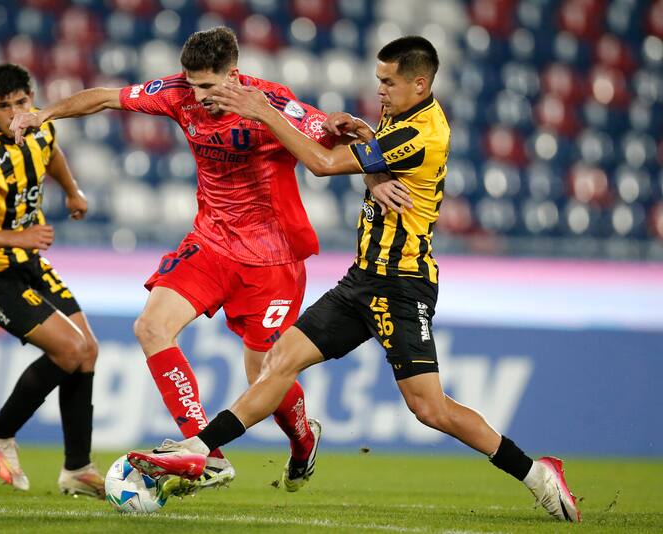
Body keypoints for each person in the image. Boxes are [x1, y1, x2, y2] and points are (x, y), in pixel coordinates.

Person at [126, 36, 582, 523]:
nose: (379, 89)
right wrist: (372, 173)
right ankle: (200, 449)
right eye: (378, 79)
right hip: (362, 280)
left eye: (388, 82)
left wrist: (264, 112)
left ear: (419, 83)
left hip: (402, 283)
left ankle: (536, 473)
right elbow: (369, 158)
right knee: (276, 365)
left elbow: (322, 165)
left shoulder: (423, 132)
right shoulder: (395, 117)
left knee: (430, 409)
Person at [9, 27, 343, 494]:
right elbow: (105, 98)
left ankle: (303, 440)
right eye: (192, 84)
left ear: (234, 73)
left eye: (209, 86)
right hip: (210, 243)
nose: (199, 96)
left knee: (264, 375)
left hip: (273, 259)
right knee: (150, 327)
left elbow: (328, 136)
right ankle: (205, 451)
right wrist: (44, 113)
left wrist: (352, 139)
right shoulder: (176, 94)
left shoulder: (270, 102)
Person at [0, 64, 104, 498]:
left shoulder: (39, 125)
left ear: (32, 96)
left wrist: (72, 190)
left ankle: (78, 468)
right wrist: (18, 236)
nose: (15, 113)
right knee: (69, 349)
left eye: (21, 102)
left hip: (26, 260)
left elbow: (51, 154)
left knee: (87, 352)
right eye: (4, 106)